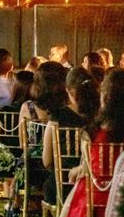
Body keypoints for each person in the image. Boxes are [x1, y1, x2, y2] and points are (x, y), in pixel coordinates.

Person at [28, 69, 124, 217]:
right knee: (82, 183)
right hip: (123, 201)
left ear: (106, 96)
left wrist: (75, 171)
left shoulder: (97, 130)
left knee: (81, 183)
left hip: (99, 207)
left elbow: (88, 168)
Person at [41, 67, 99, 204]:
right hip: (96, 184)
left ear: (69, 91)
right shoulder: (101, 117)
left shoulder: (58, 116)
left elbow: (47, 160)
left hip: (63, 183)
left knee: (48, 184)